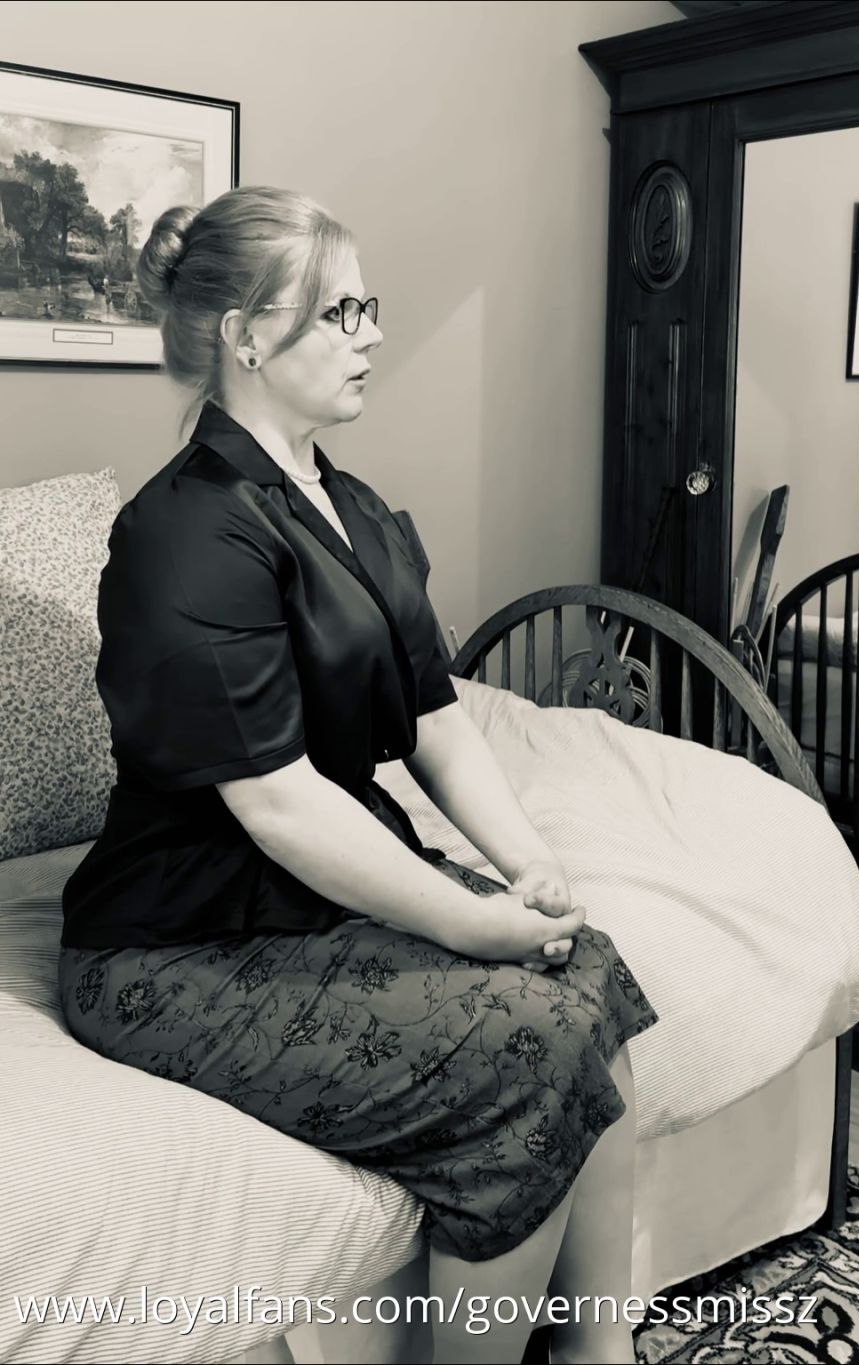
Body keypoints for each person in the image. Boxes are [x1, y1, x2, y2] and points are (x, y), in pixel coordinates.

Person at [57, 185, 658, 1365]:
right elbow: (279, 806)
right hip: (182, 937)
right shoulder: (184, 531)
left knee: (591, 975)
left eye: (368, 306)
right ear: (246, 337)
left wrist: (526, 864)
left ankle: (600, 1349)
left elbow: (436, 717)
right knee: (525, 1049)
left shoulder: (355, 508)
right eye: (340, 312)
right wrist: (470, 924)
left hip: (317, 886)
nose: (373, 332)